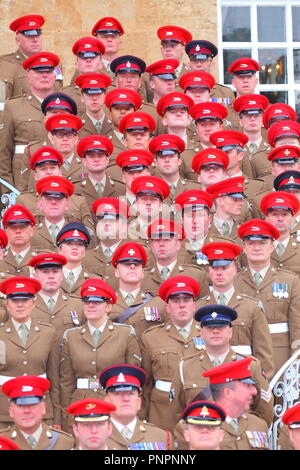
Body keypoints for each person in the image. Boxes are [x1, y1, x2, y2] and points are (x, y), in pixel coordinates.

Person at [170, 304, 274, 444]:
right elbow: (177, 412)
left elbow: (264, 411)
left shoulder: (250, 365)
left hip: (241, 439)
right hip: (202, 439)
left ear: (230, 331)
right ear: (201, 332)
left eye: (221, 327)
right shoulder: (185, 366)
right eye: (210, 327)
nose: (215, 331)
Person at [59, 278, 141, 432]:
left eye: (97, 302)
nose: (90, 305)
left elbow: (134, 378)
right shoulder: (71, 336)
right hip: (81, 402)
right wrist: (66, 415)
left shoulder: (125, 334)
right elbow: (66, 382)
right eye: (87, 301)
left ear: (108, 306)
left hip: (114, 402)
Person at [197, 241, 275, 377]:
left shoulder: (252, 307)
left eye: (225, 268)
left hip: (243, 378)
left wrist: (260, 385)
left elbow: (264, 355)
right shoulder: (198, 308)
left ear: (235, 269)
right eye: (215, 268)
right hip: (207, 379)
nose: (219, 273)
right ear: (209, 270)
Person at [235, 218, 300, 371]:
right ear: (244, 247)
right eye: (251, 243)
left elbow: (297, 326)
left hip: (281, 357)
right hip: (244, 357)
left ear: (272, 247)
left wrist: (296, 360)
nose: (256, 248)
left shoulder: (290, 281)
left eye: (262, 243)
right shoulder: (233, 282)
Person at [140, 275, 203, 431]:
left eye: (186, 300)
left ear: (194, 305)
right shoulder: (151, 337)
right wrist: (142, 419)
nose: (182, 305)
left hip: (201, 408)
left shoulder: (209, 333)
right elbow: (146, 385)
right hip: (162, 412)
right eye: (175, 301)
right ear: (167, 307)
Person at [0, 277, 60, 427]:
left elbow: (55, 378)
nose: (20, 304)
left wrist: (57, 417)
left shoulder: (48, 332)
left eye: (25, 300)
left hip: (41, 408)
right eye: (14, 300)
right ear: (7, 304)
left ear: (33, 303)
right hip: (5, 411)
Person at [0, 51, 60, 186]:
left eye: (49, 71)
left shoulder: (66, 106)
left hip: (58, 183)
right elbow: (4, 154)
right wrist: (8, 191)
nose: (44, 75)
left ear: (55, 76)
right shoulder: (13, 107)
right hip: (23, 182)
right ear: (28, 77)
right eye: (39, 72)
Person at [17, 145, 95, 233]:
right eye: (43, 169)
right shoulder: (24, 201)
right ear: (35, 176)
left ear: (60, 172)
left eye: (53, 168)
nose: (49, 172)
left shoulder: (78, 201)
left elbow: (90, 238)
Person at [99, 364, 174, 450]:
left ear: (139, 402)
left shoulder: (161, 437)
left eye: (131, 393)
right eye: (118, 394)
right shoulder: (93, 435)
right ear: (106, 402)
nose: (126, 398)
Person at [202, 358, 270, 450]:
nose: (254, 391)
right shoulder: (197, 428)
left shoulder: (259, 425)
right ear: (228, 392)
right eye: (247, 386)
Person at [18, 91, 78, 192]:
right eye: (54, 112)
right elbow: (24, 191)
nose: (58, 116)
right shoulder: (33, 151)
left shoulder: (85, 151)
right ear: (45, 118)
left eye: (62, 113)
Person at [110, 241, 167, 340]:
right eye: (126, 264)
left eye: (136, 264)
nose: (132, 267)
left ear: (142, 273)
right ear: (117, 272)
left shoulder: (159, 303)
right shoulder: (105, 303)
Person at [0, 375, 73, 450]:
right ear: (11, 411)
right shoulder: (2, 442)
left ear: (43, 408)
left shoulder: (64, 442)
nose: (27, 411)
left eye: (32, 405)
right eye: (20, 406)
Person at [0, 15, 63, 101]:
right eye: (30, 36)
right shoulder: (6, 64)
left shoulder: (54, 63)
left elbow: (58, 91)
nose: (35, 40)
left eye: (38, 35)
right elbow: (2, 103)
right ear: (18, 40)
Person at [143, 218, 210, 296]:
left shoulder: (196, 275)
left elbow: (203, 304)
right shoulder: (142, 277)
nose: (161, 244)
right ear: (151, 246)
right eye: (157, 240)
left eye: (167, 240)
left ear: (178, 245)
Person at [29, 251, 84, 343]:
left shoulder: (78, 305)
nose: (51, 276)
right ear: (35, 276)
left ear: (62, 275)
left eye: (55, 271)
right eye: (45, 272)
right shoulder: (25, 305)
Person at [75, 134, 125, 224]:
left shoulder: (120, 188)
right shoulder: (75, 189)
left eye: (100, 156)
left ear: (107, 160)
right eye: (91, 156)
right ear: (84, 161)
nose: (96, 159)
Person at [31, 175, 87, 252]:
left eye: (58, 198)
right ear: (40, 204)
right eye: (49, 199)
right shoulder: (30, 234)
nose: (53, 202)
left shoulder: (79, 233)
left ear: (68, 205)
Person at [85, 197, 130, 285]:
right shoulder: (85, 257)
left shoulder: (136, 256)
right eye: (102, 219)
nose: (107, 223)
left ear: (125, 226)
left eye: (113, 219)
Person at [149, 133, 200, 205]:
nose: (167, 160)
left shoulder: (195, 188)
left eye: (171, 156)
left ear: (179, 161)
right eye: (162, 157)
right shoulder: (149, 191)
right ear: (156, 162)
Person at [259, 191, 300, 275]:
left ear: (293, 219)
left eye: (284, 214)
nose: (280, 219)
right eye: (275, 214)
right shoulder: (256, 249)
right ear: (266, 219)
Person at [184, 39, 235, 105]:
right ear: (189, 65)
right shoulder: (178, 91)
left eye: (203, 61)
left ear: (212, 65)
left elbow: (231, 115)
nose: (199, 64)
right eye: (194, 61)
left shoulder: (225, 93)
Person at [62, 37, 105, 114]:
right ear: (77, 64)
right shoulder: (66, 94)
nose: (88, 60)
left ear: (101, 64)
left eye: (93, 56)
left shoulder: (112, 91)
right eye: (83, 57)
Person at [233, 94, 271, 180]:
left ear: (263, 120)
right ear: (240, 121)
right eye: (247, 115)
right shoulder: (233, 151)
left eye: (256, 115)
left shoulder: (272, 150)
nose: (252, 119)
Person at [104, 88, 142, 173]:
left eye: (127, 109)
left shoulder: (146, 141)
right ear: (109, 115)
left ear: (135, 114)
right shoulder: (104, 144)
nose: (123, 112)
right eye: (117, 109)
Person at [56, 221, 95, 297]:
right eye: (69, 244)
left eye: (80, 244)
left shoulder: (95, 281)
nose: (75, 248)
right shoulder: (48, 278)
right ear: (60, 249)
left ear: (85, 251)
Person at [127, 175, 171, 243]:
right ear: (136, 203)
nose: (148, 203)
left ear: (161, 206)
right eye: (144, 199)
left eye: (153, 200)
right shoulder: (124, 232)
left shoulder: (171, 232)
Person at [205, 176, 247, 243]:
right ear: (220, 201)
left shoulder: (245, 230)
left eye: (241, 199)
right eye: (235, 199)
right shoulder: (202, 228)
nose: (241, 203)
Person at [0, 205, 37, 278]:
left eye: (22, 227)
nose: (18, 231)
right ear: (6, 232)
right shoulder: (1, 259)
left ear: (32, 231)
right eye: (13, 228)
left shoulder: (42, 258)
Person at [116, 149, 153, 216]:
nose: (135, 176)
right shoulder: (115, 207)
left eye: (139, 172)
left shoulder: (159, 205)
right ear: (123, 178)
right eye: (130, 173)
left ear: (148, 175)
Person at [75, 72, 112, 137]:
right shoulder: (76, 127)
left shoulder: (114, 125)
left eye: (98, 94)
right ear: (82, 97)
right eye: (89, 94)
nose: (94, 98)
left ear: (105, 96)